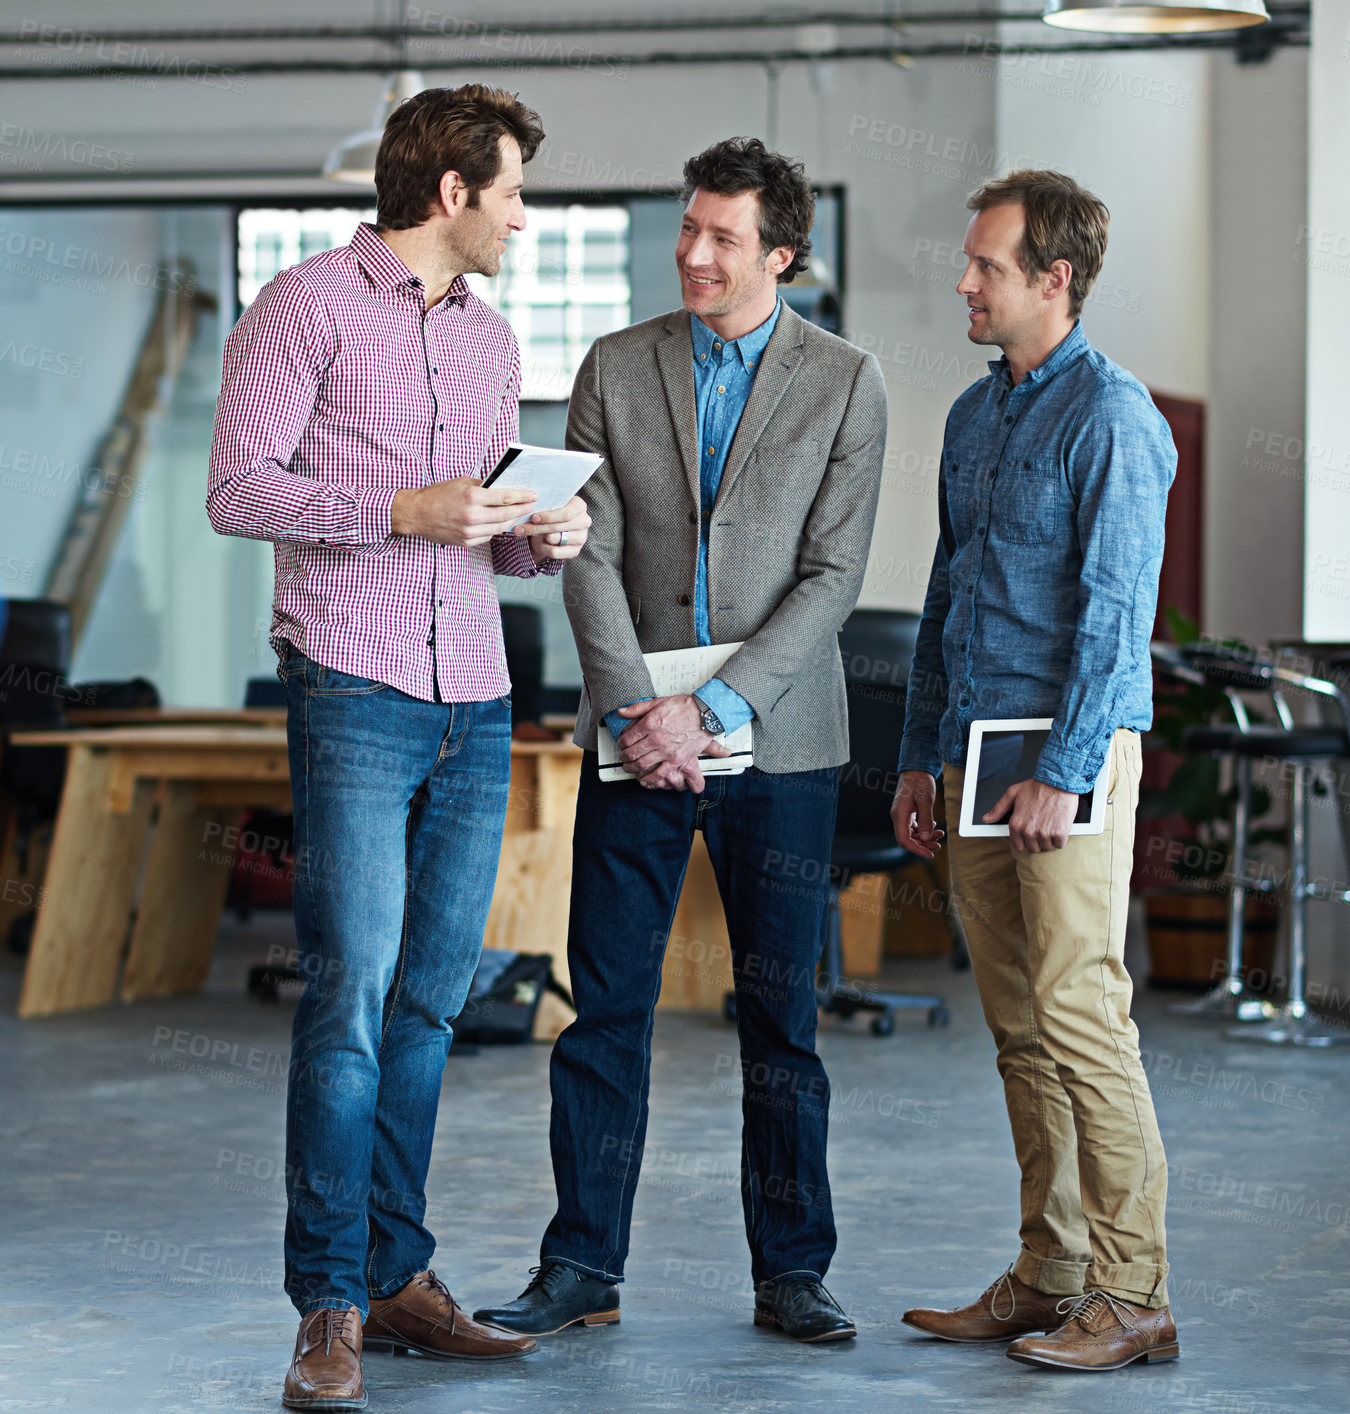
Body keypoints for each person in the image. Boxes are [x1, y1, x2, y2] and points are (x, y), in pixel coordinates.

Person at [207, 84, 591, 1412]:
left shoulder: (488, 341)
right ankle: (326, 1301)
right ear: (451, 193)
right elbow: (237, 484)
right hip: (353, 685)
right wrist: (400, 507)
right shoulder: (303, 304)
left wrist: (532, 533)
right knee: (351, 1004)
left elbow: (475, 516)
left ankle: (395, 1272)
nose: (522, 219)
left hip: (472, 696)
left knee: (432, 1003)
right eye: (513, 193)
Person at [473, 137, 887, 1345]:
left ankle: (792, 1271)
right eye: (687, 228)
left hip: (781, 739)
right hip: (631, 738)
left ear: (782, 254)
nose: (694, 253)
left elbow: (833, 574)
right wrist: (633, 706)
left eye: (721, 236)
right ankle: (581, 1265)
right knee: (603, 1011)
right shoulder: (615, 362)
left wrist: (708, 709)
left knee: (780, 1020)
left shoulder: (847, 380)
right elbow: (581, 544)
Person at [890, 170, 1179, 1372]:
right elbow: (946, 595)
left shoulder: (1111, 416)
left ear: (1053, 279)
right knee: (1017, 1024)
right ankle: (1051, 1269)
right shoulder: (975, 414)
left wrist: (1061, 769)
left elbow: (1116, 617)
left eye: (987, 266)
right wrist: (915, 753)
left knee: (1080, 1013)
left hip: (1067, 753)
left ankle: (1134, 1288)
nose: (964, 281)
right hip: (971, 753)